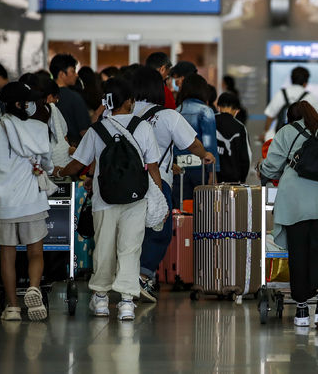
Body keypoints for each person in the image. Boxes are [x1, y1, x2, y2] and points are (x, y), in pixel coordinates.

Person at [54, 78, 162, 321]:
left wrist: (60, 171)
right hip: (136, 198)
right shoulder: (142, 127)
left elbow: (78, 164)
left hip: (104, 199)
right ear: (128, 101)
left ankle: (101, 299)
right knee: (130, 248)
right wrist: (160, 198)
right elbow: (153, 166)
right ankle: (126, 302)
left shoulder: (97, 129)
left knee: (103, 247)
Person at [259, 101, 318, 330]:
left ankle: (301, 310)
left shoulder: (286, 132)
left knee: (298, 252)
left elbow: (271, 168)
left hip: (296, 202)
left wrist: (260, 168)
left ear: (291, 117)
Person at [129, 67, 215, 302]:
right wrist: (205, 154)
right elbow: (192, 144)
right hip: (156, 183)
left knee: (126, 231)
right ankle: (142, 276)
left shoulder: (119, 113)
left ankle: (120, 279)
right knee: (158, 232)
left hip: (121, 183)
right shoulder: (167, 116)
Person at [0, 82, 53, 322]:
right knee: (35, 252)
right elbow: (47, 164)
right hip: (32, 202)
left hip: (3, 203)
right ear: (20, 104)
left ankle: (13, 307)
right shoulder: (39, 128)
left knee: (7, 255)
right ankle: (33, 288)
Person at [173, 74, 221, 205]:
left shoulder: (176, 111)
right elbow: (209, 142)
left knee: (181, 209)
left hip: (179, 169)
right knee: (202, 210)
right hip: (201, 169)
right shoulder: (206, 111)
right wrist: (213, 171)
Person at [19, 73, 72, 167]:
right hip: (45, 164)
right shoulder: (49, 109)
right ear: (49, 96)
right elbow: (63, 137)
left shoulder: (11, 115)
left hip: (20, 164)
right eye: (56, 99)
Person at [261, 66, 318, 141]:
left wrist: (265, 134)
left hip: (280, 137)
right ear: (306, 83)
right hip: (302, 140)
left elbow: (270, 116)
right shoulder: (310, 97)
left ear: (291, 79)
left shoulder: (281, 94)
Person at [49, 54, 91, 146]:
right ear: (62, 74)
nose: (76, 75)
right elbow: (84, 131)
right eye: (73, 71)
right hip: (73, 149)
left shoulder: (46, 96)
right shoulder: (74, 97)